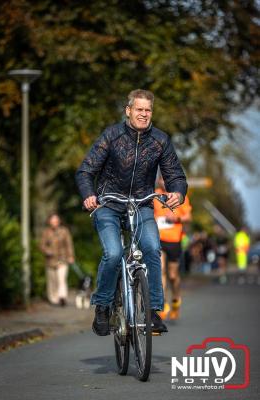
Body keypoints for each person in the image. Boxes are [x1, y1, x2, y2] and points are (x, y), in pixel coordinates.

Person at [76, 89, 187, 336]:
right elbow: (85, 171)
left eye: (148, 110)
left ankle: (154, 312)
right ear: (128, 111)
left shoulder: (160, 140)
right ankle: (103, 306)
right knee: (114, 253)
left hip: (141, 204)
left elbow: (175, 175)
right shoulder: (112, 136)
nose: (144, 114)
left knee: (151, 248)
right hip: (109, 205)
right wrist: (89, 195)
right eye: (139, 109)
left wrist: (177, 192)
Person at [154, 174, 192, 320]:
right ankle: (163, 305)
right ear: (158, 180)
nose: (164, 182)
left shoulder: (178, 196)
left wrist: (176, 218)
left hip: (174, 240)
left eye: (166, 178)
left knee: (173, 275)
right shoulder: (155, 195)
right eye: (161, 179)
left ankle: (176, 300)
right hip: (159, 238)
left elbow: (188, 217)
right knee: (160, 271)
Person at [40, 213, 75, 306]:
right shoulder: (46, 232)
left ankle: (62, 296)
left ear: (59, 221)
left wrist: (71, 256)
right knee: (52, 281)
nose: (54, 222)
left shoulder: (64, 231)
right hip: (50, 260)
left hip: (62, 259)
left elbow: (69, 245)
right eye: (52, 220)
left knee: (61, 279)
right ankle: (53, 299)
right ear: (49, 222)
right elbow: (42, 245)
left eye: (56, 220)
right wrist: (47, 251)